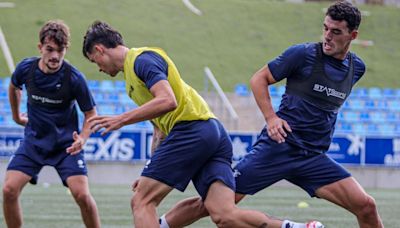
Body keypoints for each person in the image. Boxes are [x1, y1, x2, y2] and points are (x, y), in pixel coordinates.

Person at [161, 1, 384, 228]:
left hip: (313, 157)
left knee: (366, 206)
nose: (327, 36)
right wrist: (271, 118)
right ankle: (160, 225)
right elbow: (259, 79)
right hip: (278, 149)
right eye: (325, 28)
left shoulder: (357, 68)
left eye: (336, 32)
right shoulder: (303, 54)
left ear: (352, 35)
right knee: (213, 205)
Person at [81, 20, 323, 228]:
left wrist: (120, 119)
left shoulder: (141, 60)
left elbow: (168, 101)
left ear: (100, 50)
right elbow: (159, 129)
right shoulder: (132, 81)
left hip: (192, 131)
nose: (99, 69)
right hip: (212, 133)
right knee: (224, 215)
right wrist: (152, 167)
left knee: (142, 201)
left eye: (95, 61)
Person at [2, 20, 100, 228]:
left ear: (66, 49)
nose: (55, 56)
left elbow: (91, 114)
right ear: (40, 48)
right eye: (50, 49)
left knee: (82, 195)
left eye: (60, 50)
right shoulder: (26, 69)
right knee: (9, 190)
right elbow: (13, 87)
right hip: (34, 143)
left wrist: (83, 138)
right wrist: (16, 116)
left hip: (66, 146)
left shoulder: (74, 78)